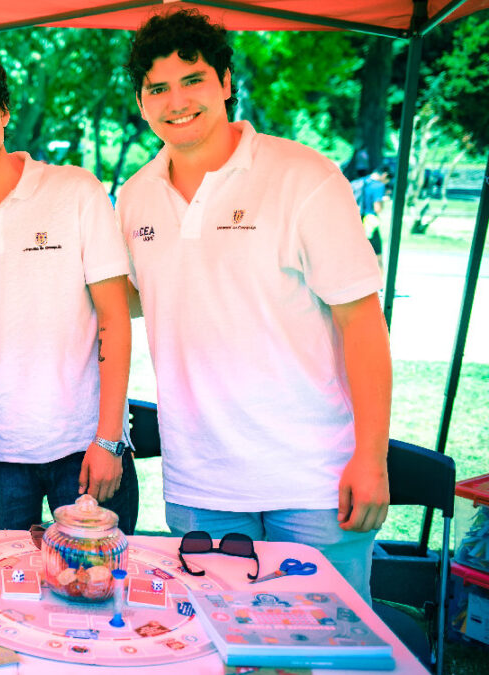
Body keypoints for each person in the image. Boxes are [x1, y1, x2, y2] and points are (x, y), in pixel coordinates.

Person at [115, 9, 391, 600]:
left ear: (225, 82)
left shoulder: (304, 176)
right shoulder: (135, 197)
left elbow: (363, 322)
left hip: (314, 482)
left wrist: (371, 458)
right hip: (202, 485)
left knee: (325, 643)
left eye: (193, 80)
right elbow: (132, 298)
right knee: (216, 640)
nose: (176, 101)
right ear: (140, 102)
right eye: (158, 88)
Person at [0, 49, 137, 532]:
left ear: (5, 112)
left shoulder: (76, 190)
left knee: (97, 576)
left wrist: (109, 440)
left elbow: (115, 319)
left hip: (85, 445)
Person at [355, 165, 392, 274]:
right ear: (385, 175)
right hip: (369, 222)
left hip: (355, 221)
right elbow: (377, 208)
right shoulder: (378, 186)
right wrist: (383, 200)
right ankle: (380, 280)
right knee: (377, 255)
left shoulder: (360, 182)